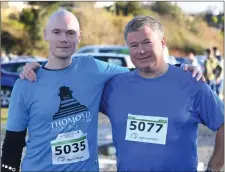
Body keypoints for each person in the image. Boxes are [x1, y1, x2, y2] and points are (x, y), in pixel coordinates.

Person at [1, 10, 204, 172]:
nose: (63, 38)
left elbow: (138, 71)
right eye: (57, 32)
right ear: (46, 34)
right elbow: (12, 144)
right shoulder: (27, 83)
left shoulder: (92, 68)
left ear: (79, 37)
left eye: (70, 33)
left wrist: (180, 69)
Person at [100, 16, 224, 172]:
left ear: (162, 42)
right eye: (134, 45)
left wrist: (213, 168)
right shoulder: (115, 86)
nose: (141, 50)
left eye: (147, 42)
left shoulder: (191, 82)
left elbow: (222, 123)